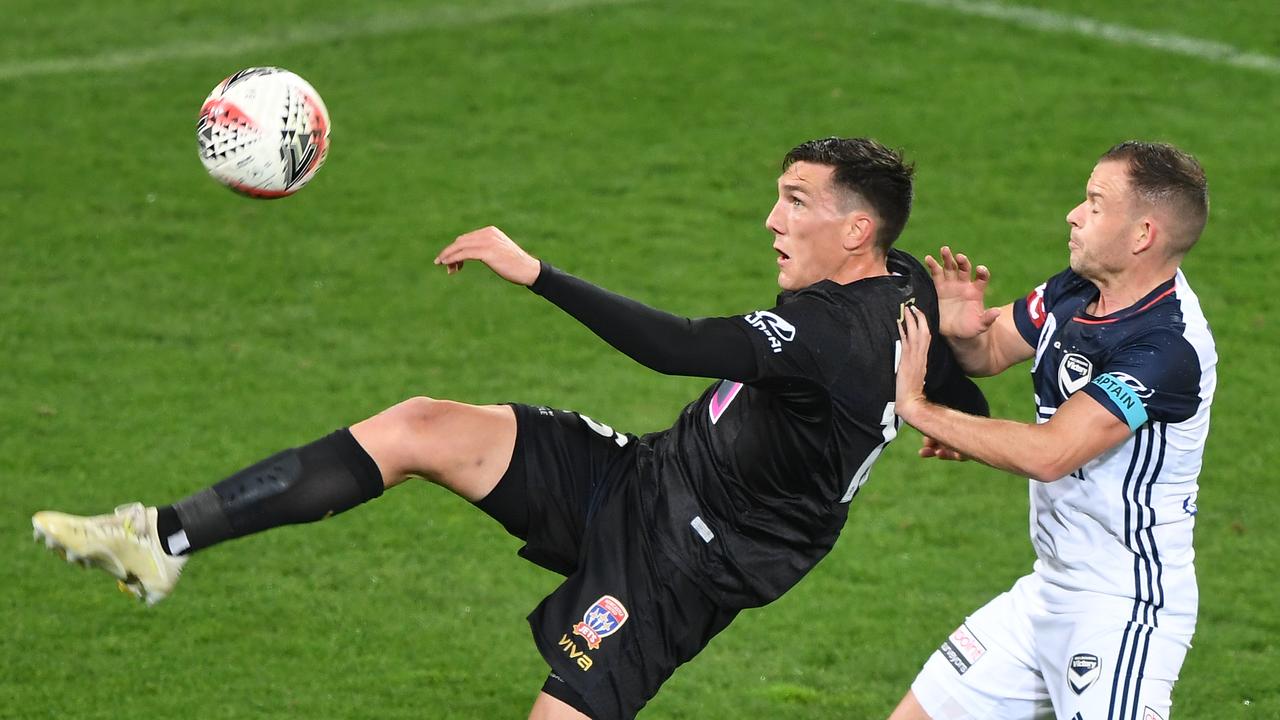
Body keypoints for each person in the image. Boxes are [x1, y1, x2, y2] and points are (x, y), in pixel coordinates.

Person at [32, 137, 987, 720]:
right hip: (651, 477)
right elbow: (937, 379)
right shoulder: (897, 283)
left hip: (686, 568)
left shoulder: (825, 328)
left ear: (855, 231)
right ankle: (161, 537)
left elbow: (675, 346)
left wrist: (536, 272)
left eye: (796, 201)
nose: (770, 218)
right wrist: (954, 410)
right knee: (421, 426)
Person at [888, 141, 1215, 720]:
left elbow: (1051, 453)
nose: (1074, 213)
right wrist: (963, 331)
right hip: (1046, 592)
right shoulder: (1077, 287)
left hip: (1121, 612)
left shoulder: (1166, 347)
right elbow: (990, 350)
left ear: (1142, 235)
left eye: (1094, 203)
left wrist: (918, 407)